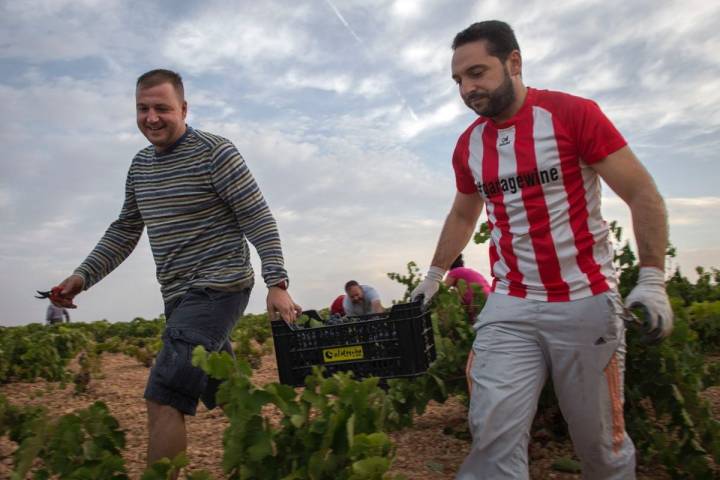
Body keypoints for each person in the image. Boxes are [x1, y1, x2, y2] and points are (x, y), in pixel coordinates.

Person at [411, 21, 673, 480]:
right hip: (510, 305)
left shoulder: (572, 115)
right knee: (491, 433)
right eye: (459, 80)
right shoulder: (469, 146)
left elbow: (642, 192)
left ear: (514, 62)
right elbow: (461, 215)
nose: (467, 89)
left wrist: (652, 280)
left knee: (600, 448)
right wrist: (433, 275)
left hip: (585, 302)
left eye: (477, 72)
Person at [47, 69, 301, 473]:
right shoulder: (140, 167)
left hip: (219, 287)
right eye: (142, 108)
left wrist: (277, 282)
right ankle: (274, 465)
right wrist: (81, 277)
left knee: (163, 397)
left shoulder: (215, 152)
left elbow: (257, 216)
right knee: (230, 392)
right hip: (179, 296)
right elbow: (125, 229)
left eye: (162, 108)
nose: (151, 118)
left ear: (183, 108)